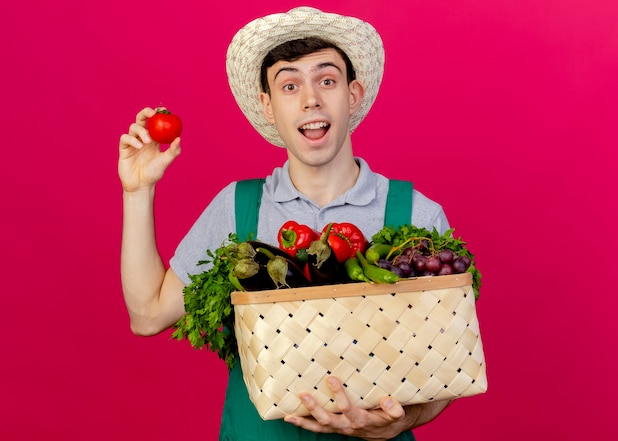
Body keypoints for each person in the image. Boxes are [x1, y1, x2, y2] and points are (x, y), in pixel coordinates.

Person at [118, 6, 453, 441]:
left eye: (326, 80)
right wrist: (137, 193)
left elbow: (447, 366)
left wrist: (398, 423)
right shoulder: (236, 208)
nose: (311, 99)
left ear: (352, 95)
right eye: (290, 85)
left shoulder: (416, 217)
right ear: (268, 106)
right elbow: (147, 315)